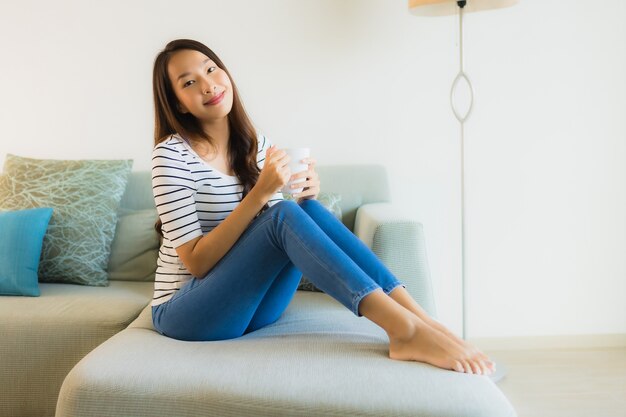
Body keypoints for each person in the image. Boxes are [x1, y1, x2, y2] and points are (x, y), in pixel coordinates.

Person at [150, 38, 495, 376]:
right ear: (179, 104)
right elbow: (196, 262)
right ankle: (404, 331)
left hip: (251, 308)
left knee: (304, 211)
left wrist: (306, 195)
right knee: (284, 215)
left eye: (211, 69)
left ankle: (423, 320)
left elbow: (265, 233)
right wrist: (260, 194)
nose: (209, 85)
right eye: (190, 82)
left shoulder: (257, 146)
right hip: (188, 312)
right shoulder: (171, 155)